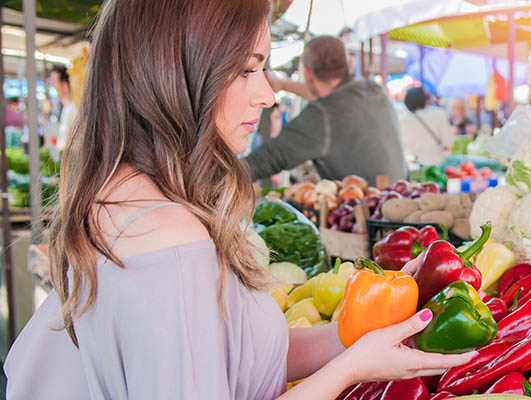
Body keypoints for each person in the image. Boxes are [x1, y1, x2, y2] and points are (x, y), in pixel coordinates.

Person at [3, 1, 474, 399]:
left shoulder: (124, 198)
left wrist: (366, 330)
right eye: (248, 69)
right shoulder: (168, 243)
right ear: (179, 73)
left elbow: (241, 355)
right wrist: (349, 372)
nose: (268, 94)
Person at [245, 36, 407, 186]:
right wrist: (281, 84)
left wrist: (222, 175)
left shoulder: (321, 116)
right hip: (405, 200)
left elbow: (264, 161)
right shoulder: (374, 89)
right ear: (350, 64)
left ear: (307, 74)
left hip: (365, 213)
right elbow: (328, 95)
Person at [398, 86, 453, 165]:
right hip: (434, 164)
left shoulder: (401, 119)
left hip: (410, 164)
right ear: (424, 99)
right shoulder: (439, 114)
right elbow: (448, 142)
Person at [51, 65, 78, 151]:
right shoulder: (66, 108)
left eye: (55, 82)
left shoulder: (76, 109)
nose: (53, 86)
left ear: (64, 85)